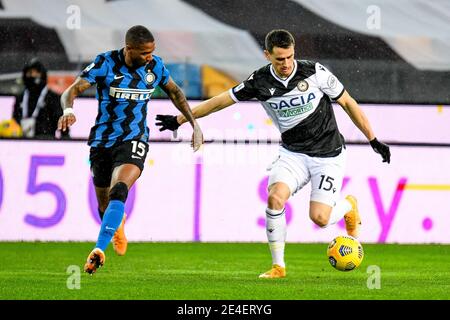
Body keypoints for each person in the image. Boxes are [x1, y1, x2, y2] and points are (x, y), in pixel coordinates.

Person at [156, 29, 390, 278]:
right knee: (275, 198)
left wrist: (373, 139)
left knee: (320, 219)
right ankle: (279, 267)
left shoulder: (315, 72)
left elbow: (348, 103)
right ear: (267, 55)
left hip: (328, 155)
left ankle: (348, 205)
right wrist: (182, 119)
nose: (287, 64)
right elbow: (220, 101)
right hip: (293, 154)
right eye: (280, 59)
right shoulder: (259, 82)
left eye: (290, 57)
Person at [58, 25, 203, 275]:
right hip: (102, 142)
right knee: (104, 206)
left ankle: (99, 249)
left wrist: (194, 124)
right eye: (145, 53)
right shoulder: (106, 63)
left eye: (152, 52)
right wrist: (68, 110)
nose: (150, 57)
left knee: (120, 189)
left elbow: (176, 93)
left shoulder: (154, 66)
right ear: (129, 49)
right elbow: (72, 90)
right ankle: (117, 225)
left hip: (134, 139)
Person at [13, 58, 70, 139]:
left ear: (42, 74)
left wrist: (66, 139)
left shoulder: (53, 97)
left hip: (46, 142)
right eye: (29, 73)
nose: (33, 76)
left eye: (36, 73)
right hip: (23, 142)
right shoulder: (20, 97)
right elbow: (15, 120)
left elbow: (62, 122)